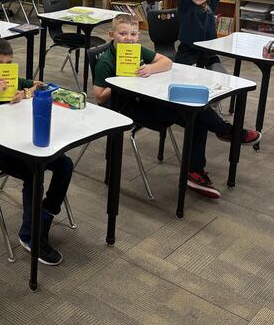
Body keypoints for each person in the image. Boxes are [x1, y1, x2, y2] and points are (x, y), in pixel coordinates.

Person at [92, 14, 260, 199]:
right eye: (123, 34)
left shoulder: (136, 50)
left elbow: (166, 62)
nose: (128, 38)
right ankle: (227, 132)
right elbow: (99, 97)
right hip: (126, 108)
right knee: (190, 113)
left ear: (138, 36)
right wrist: (119, 82)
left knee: (195, 116)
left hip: (146, 97)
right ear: (111, 34)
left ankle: (195, 172)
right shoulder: (105, 61)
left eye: (133, 34)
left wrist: (149, 69)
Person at [0, 38, 72, 266]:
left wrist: (25, 92)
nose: (5, 67)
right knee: (35, 173)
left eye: (9, 62)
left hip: (15, 138)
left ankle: (46, 213)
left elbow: (38, 84)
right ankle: (30, 236)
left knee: (65, 164)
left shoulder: (11, 77)